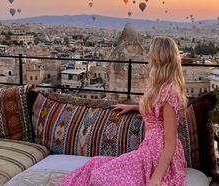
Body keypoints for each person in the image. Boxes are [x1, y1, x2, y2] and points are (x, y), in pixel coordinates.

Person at [59, 36, 187, 186]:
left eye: (151, 52)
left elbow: (170, 142)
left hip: (158, 156)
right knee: (95, 163)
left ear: (159, 57)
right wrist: (134, 107)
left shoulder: (170, 92)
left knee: (100, 177)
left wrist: (156, 178)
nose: (148, 56)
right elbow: (156, 112)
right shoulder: (160, 87)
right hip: (149, 151)